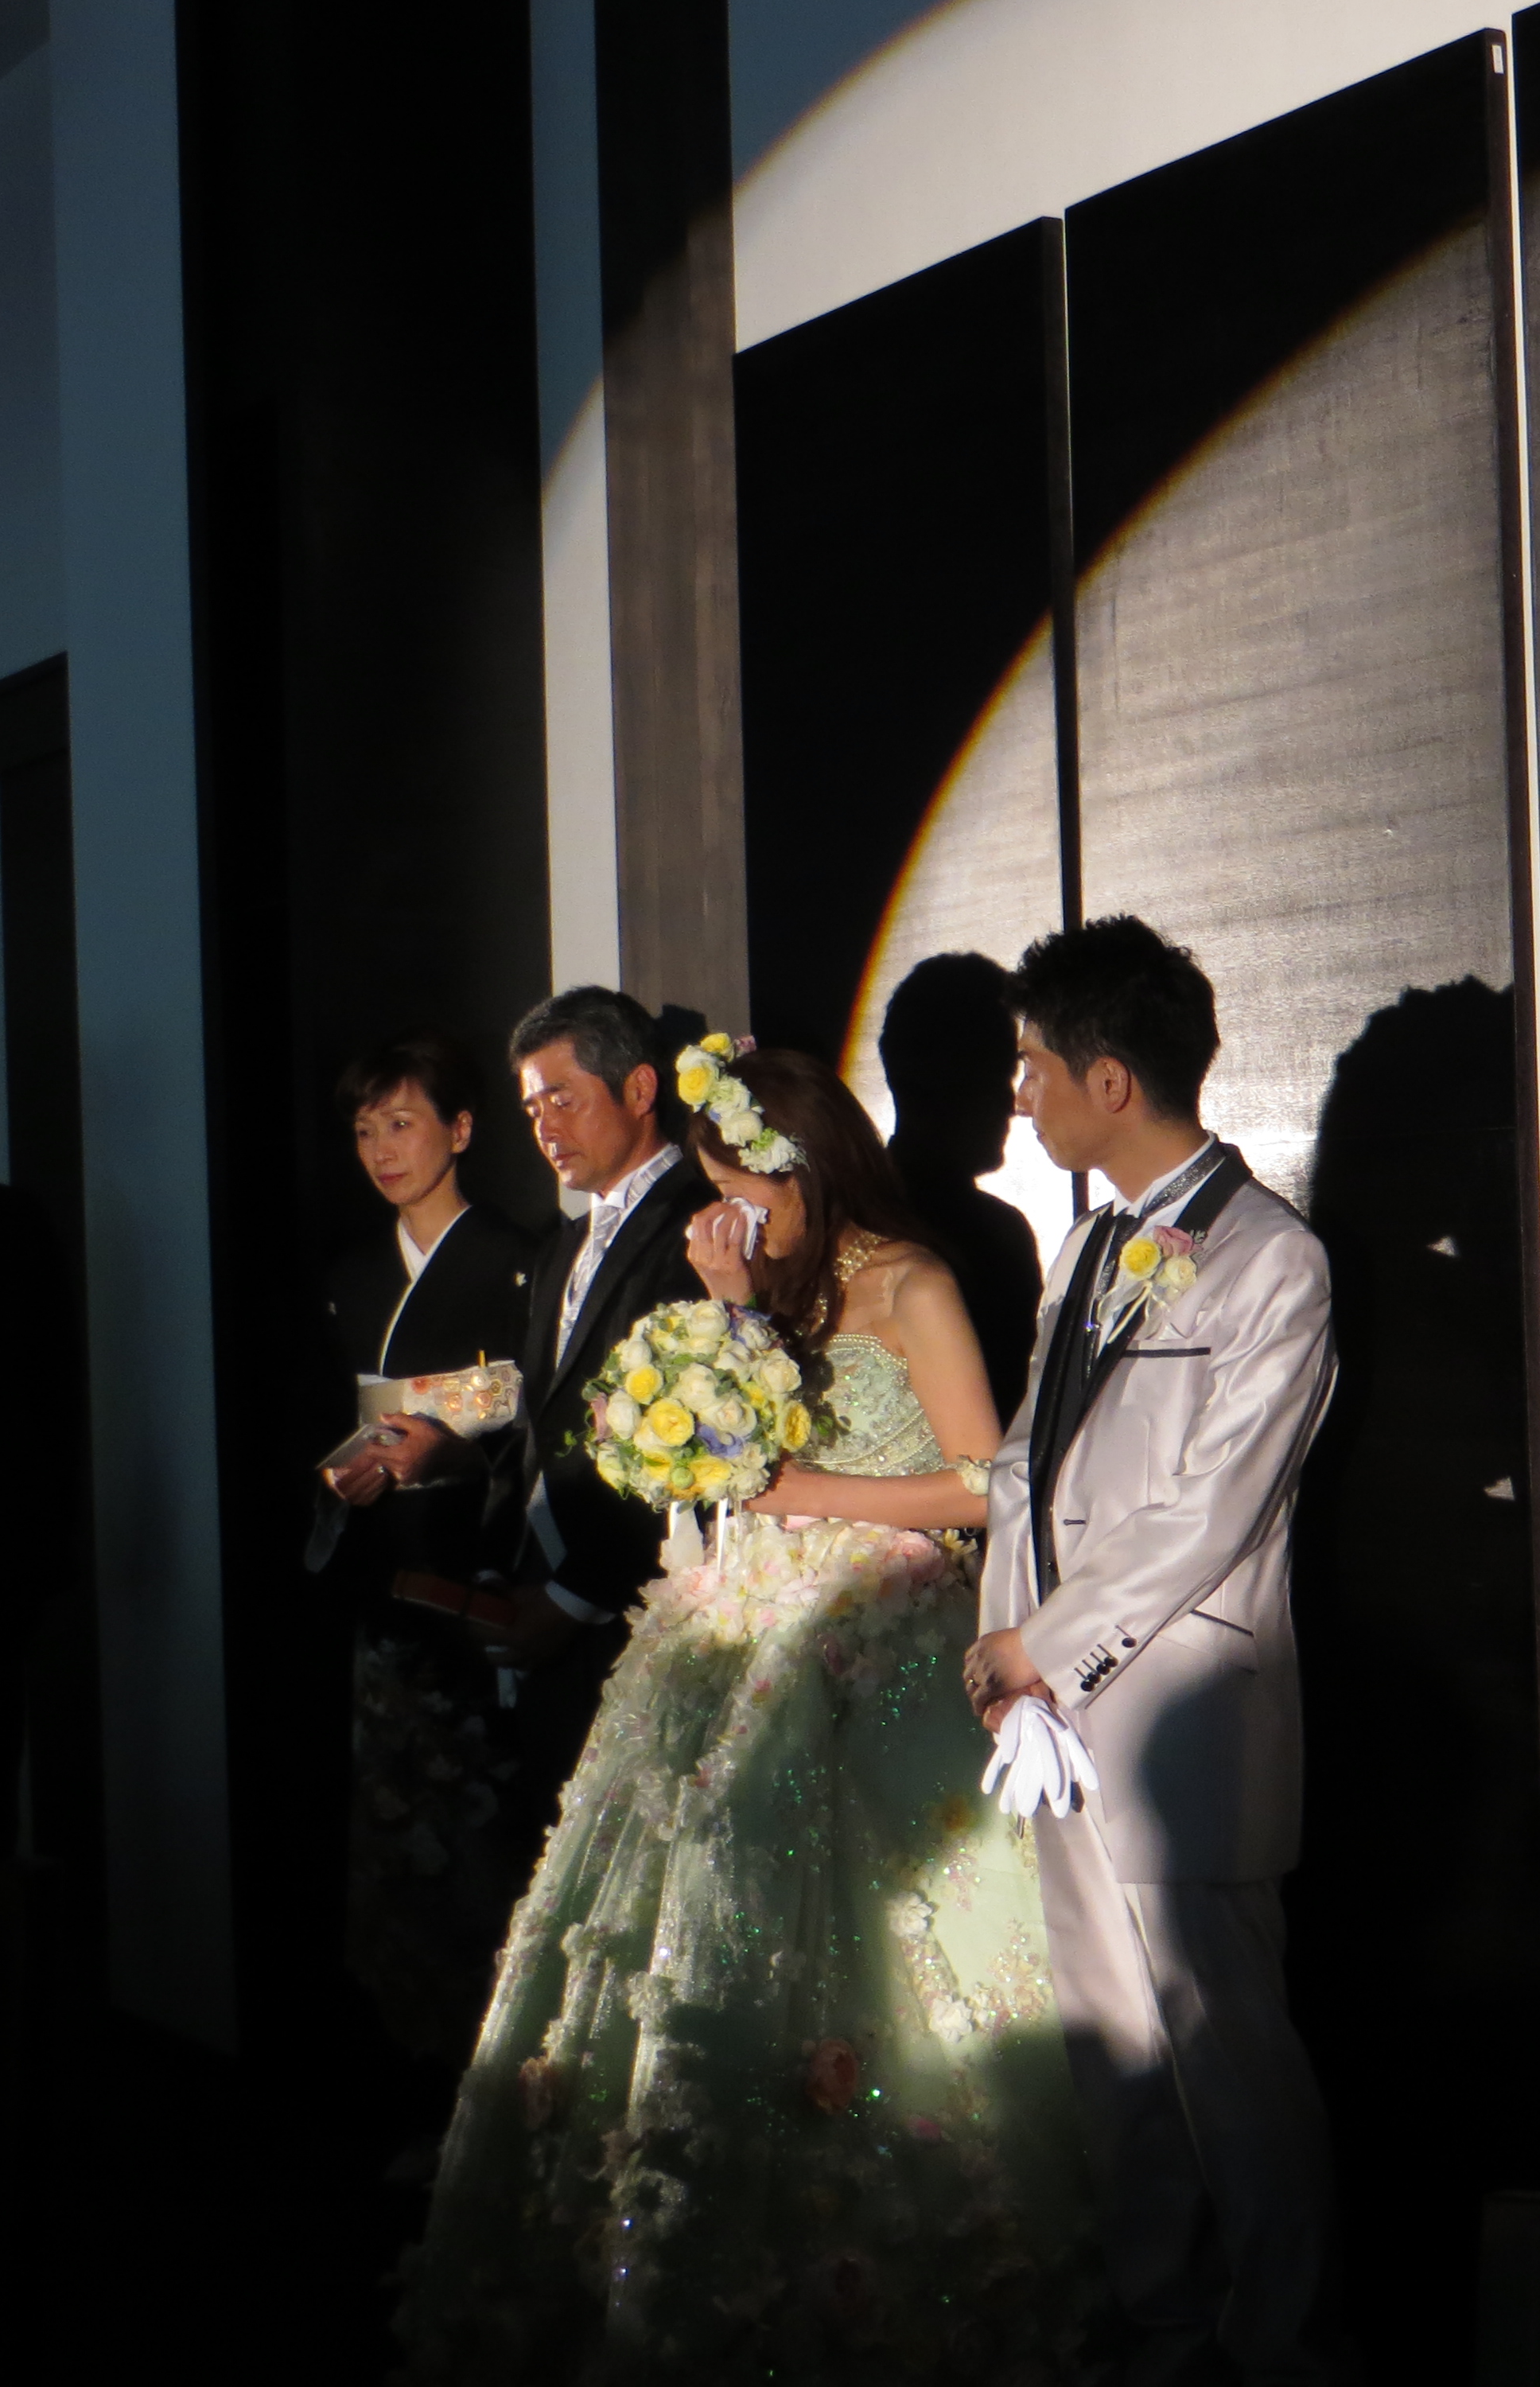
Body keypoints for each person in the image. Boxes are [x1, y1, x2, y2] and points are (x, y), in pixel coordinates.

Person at [396, 1042, 1099, 2378]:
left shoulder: (914, 1278)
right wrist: (728, 1312)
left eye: (745, 1187)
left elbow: (983, 1482)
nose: (730, 1212)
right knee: (689, 1909)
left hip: (877, 1623)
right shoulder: (761, 1281)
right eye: (716, 1187)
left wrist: (806, 1495)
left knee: (891, 1945)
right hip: (743, 1613)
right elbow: (735, 1451)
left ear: (812, 1166)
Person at [961, 914, 1350, 2385]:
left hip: (1184, 1715)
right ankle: (1162, 2330)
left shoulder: (1273, 1260)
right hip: (1055, 1718)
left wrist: (1044, 1647)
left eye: (1033, 1068)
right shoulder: (1084, 1247)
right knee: (1110, 2058)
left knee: (1229, 2065)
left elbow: (1214, 1508)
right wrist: (1004, 1649)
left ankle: (1287, 2344)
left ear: (1110, 1080)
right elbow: (1023, 1465)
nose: (1020, 1098)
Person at [311, 1031, 542, 2061]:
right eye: (366, 1131)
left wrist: (453, 1454)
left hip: (481, 1582)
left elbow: (545, 1427)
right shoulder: (353, 1276)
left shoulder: (522, 1262)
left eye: (402, 1123)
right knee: (397, 1854)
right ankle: (417, 2072)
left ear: (461, 1128)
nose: (382, 1150)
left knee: (490, 1850)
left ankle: (503, 2081)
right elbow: (326, 1415)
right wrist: (339, 1472)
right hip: (385, 1584)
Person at [458, 987, 721, 1801]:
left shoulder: (703, 1225)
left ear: (639, 1089)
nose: (545, 1128)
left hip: (638, 1607)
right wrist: (497, 1567)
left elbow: (698, 1436)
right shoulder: (560, 1246)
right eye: (532, 1109)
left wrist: (574, 1598)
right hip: (540, 1596)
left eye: (562, 1099)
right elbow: (536, 1423)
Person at [880, 951, 1046, 1422]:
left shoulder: (843, 1212)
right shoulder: (997, 1236)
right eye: (1001, 1078)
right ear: (946, 1082)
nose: (1013, 1105)